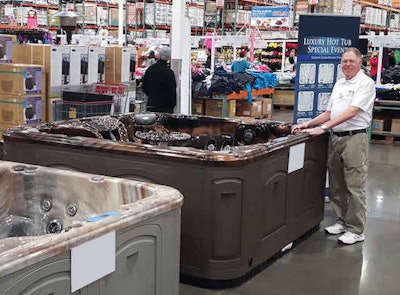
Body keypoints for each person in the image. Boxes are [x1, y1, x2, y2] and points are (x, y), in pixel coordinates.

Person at [292, 47, 376, 245]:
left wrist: (323, 128)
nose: (347, 64)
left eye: (351, 61)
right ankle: (342, 220)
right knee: (337, 183)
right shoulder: (340, 83)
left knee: (354, 185)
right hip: (336, 138)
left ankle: (356, 229)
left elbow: (352, 111)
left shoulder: (365, 83)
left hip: (354, 138)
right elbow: (330, 112)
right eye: (344, 61)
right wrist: (309, 123)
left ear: (359, 62)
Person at [143, 47, 176, 113]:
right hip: (165, 107)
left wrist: (151, 95)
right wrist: (173, 104)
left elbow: (144, 86)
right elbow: (172, 90)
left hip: (151, 104)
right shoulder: (169, 72)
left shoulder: (150, 69)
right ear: (169, 57)